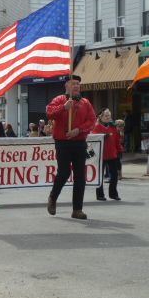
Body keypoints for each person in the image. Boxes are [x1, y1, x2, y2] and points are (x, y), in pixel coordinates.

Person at [46, 75, 96, 220]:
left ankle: (77, 209)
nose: (76, 86)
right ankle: (53, 198)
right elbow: (49, 113)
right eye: (73, 83)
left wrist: (79, 130)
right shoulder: (59, 100)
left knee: (80, 176)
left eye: (78, 84)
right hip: (63, 142)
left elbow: (92, 121)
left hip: (79, 142)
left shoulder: (86, 103)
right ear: (66, 86)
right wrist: (63, 108)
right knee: (64, 172)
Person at [93, 108, 123, 201]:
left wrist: (119, 150)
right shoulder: (96, 126)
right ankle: (100, 195)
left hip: (112, 154)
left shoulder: (113, 127)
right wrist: (101, 136)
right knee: (100, 176)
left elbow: (117, 140)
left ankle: (113, 194)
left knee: (114, 175)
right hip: (100, 155)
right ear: (100, 117)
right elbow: (93, 139)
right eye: (106, 116)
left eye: (109, 116)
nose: (108, 117)